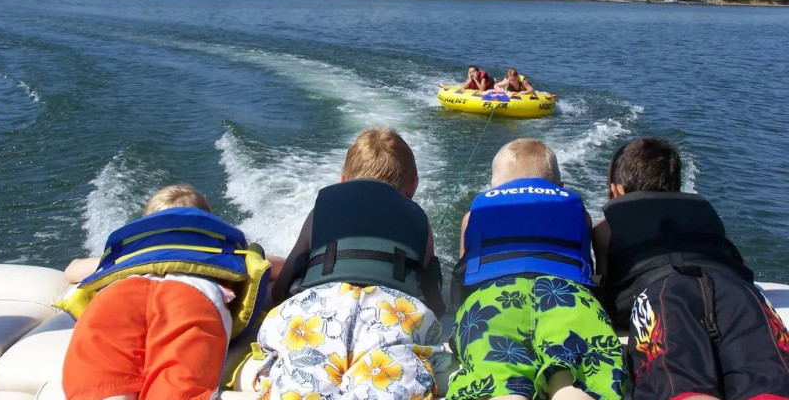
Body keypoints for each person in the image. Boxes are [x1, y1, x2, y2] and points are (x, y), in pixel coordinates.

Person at [256, 127, 448, 400]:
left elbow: (287, 278)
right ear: (413, 185)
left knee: (300, 379)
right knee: (390, 385)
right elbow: (429, 292)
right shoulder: (420, 222)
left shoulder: (320, 210)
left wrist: (277, 297)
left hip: (319, 309)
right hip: (390, 314)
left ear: (343, 180)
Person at [594, 137, 789, 400]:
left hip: (663, 291)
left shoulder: (606, 229)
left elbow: (610, 292)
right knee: (767, 378)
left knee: (680, 381)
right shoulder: (703, 213)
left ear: (617, 190)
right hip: (737, 290)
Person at [448, 138, 627, 400]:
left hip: (493, 299)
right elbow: (586, 268)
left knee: (497, 374)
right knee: (575, 374)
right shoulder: (580, 213)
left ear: (494, 188)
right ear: (560, 187)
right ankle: (566, 388)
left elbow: (465, 276)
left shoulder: (473, 215)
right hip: (566, 297)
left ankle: (506, 392)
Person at [62, 184, 271, 400]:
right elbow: (269, 266)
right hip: (190, 295)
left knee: (101, 386)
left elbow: (72, 271)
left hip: (118, 294)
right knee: (177, 390)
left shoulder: (128, 257)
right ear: (205, 223)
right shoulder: (222, 251)